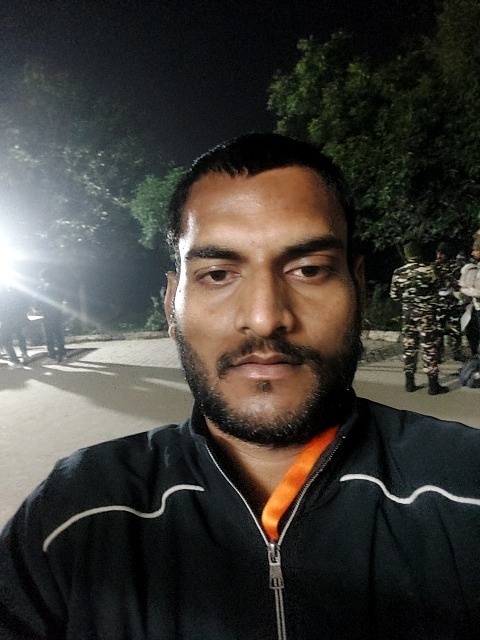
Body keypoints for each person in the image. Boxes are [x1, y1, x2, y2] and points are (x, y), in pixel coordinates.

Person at [1, 133, 480, 640]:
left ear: (358, 289)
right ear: (171, 306)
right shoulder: (76, 511)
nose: (266, 317)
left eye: (309, 269)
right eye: (217, 274)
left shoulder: (465, 487)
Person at [389, 241, 449, 394]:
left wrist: (408, 302)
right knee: (428, 347)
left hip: (408, 313)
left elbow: (394, 295)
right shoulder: (429, 270)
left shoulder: (398, 272)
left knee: (409, 346)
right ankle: (433, 385)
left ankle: (409, 382)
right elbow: (439, 288)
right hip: (425, 314)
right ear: (419, 253)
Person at [433, 241, 463, 361]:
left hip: (452, 301)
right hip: (439, 302)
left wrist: (451, 283)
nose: (439, 256)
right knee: (438, 329)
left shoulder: (455, 266)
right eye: (438, 253)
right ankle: (438, 353)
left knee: (455, 328)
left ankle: (457, 352)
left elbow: (458, 282)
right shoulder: (434, 266)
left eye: (442, 253)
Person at [34, 269, 66, 363]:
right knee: (58, 335)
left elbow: (39, 304)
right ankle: (62, 354)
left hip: (48, 315)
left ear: (44, 278)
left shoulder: (44, 289)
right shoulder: (58, 287)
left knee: (49, 336)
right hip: (58, 313)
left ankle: (52, 357)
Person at [459, 236, 480, 356]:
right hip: (475, 307)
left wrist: (465, 290)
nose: (473, 253)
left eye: (476, 250)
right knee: (472, 331)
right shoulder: (474, 267)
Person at [0, 285, 30, 366]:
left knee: (5, 340)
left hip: (7, 321)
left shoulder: (2, 296)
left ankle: (14, 359)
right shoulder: (17, 295)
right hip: (19, 320)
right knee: (20, 336)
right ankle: (24, 354)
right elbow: (25, 306)